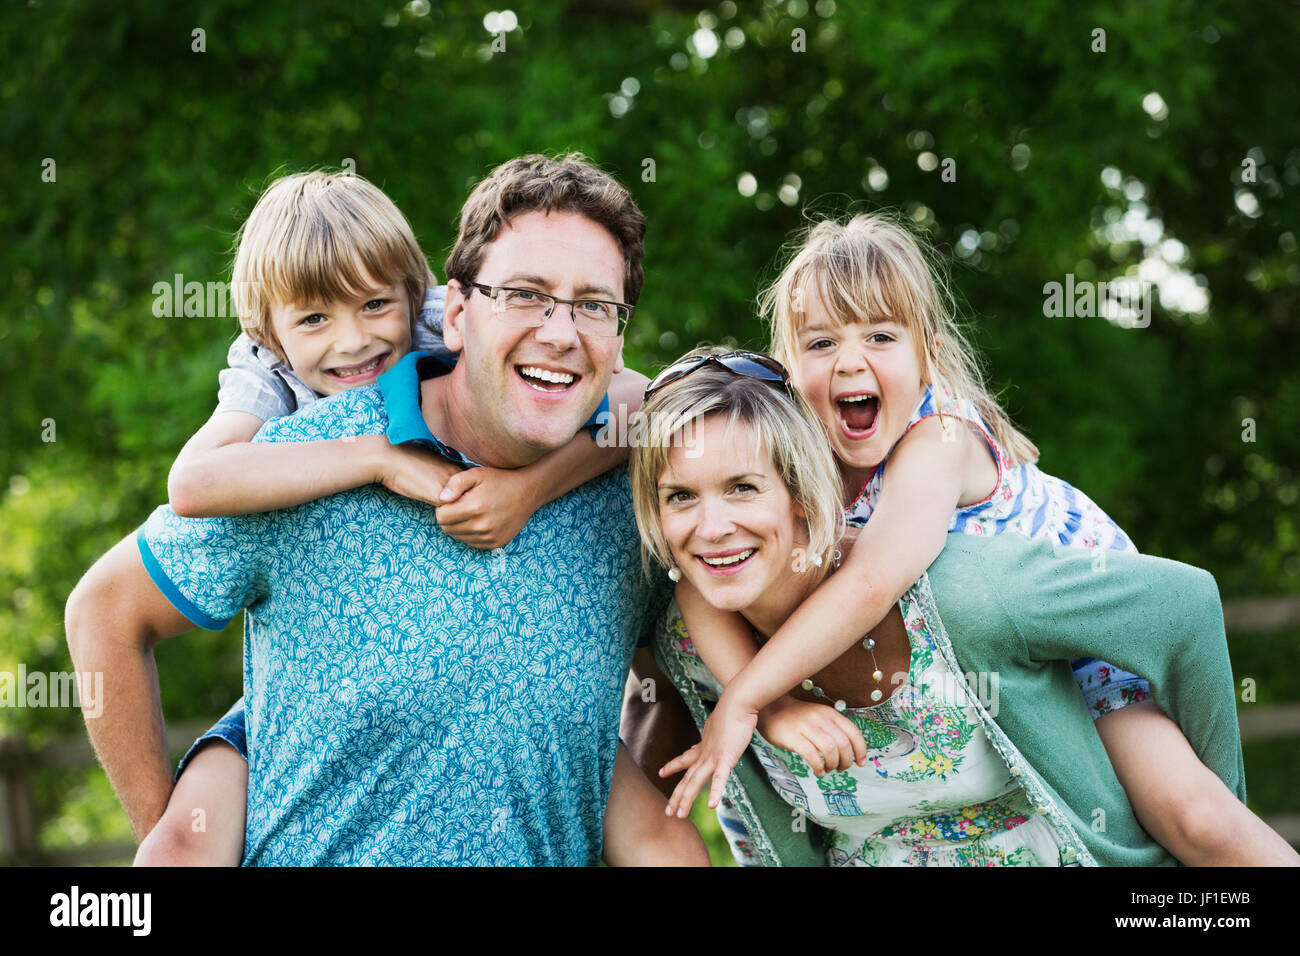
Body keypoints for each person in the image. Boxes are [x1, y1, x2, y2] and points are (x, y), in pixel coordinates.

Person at [65, 153, 707, 866]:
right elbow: (106, 610)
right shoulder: (288, 462)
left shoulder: (639, 481)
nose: (560, 331)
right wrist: (174, 833)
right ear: (457, 312)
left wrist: (645, 818)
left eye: (593, 305)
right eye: (525, 294)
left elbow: (677, 659)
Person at [650, 214, 1299, 865]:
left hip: (1082, 626)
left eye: (879, 335)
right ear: (789, 369)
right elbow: (698, 587)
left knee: (1193, 818)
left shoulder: (940, 438)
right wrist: (771, 704)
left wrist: (746, 696)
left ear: (928, 353)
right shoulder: (790, 461)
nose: (850, 360)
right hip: (984, 659)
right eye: (820, 343)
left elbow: (875, 579)